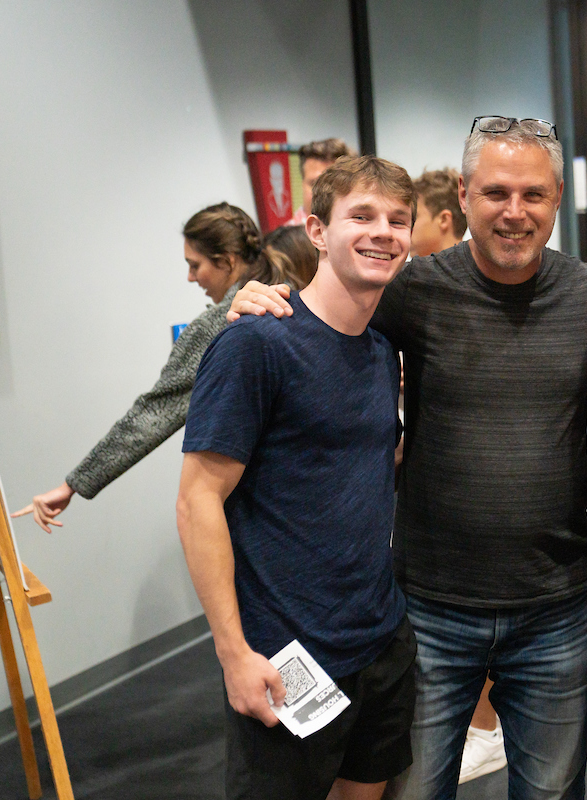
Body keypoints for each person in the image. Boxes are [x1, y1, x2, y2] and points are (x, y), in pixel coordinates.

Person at [229, 118, 587, 800]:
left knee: (553, 792)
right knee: (414, 791)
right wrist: (250, 299)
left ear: (557, 198)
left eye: (533, 194)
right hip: (430, 605)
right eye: (496, 192)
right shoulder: (413, 290)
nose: (515, 211)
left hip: (552, 608)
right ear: (464, 196)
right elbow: (325, 318)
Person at [176, 156, 418, 800]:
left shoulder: (381, 346)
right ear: (317, 230)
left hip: (378, 638)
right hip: (287, 657)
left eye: (398, 220)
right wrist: (233, 652)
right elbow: (198, 500)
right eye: (361, 216)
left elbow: (350, 466)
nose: (382, 232)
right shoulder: (257, 343)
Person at [13, 206, 316, 532]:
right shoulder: (300, 294)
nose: (190, 277)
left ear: (227, 261)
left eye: (194, 265)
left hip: (270, 514)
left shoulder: (223, 323)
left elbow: (154, 413)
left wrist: (71, 485)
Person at [408, 166, 504, 784]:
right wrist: (259, 300)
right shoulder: (407, 291)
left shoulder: (583, 293)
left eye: (403, 218)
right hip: (433, 542)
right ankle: (483, 726)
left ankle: (487, 728)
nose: (393, 234)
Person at [288, 137, 358, 228]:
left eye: (332, 184)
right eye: (314, 184)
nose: (323, 193)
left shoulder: (367, 234)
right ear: (302, 184)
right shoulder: (283, 241)